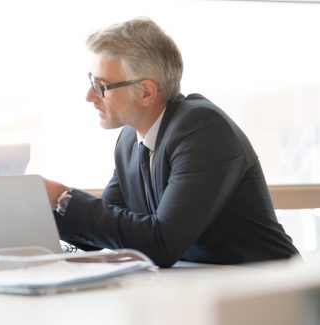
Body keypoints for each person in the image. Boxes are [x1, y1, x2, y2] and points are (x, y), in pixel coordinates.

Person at [44, 17, 298, 268]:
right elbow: (106, 228)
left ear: (146, 92)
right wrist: (40, 207)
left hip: (269, 288)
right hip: (203, 284)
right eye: (91, 81)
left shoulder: (203, 129)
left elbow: (162, 243)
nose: (89, 96)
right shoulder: (129, 141)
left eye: (101, 86)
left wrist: (64, 199)